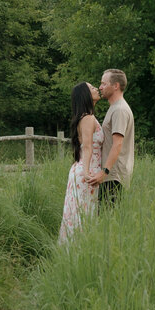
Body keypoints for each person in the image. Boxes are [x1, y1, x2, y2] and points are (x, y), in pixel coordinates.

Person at [59, 81, 102, 243]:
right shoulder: (88, 118)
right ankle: (77, 251)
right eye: (92, 88)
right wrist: (86, 172)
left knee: (79, 215)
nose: (96, 89)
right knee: (82, 216)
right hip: (86, 171)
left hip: (84, 169)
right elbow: (87, 147)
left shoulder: (86, 117)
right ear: (86, 95)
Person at [89, 68, 134, 207]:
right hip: (110, 175)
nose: (100, 87)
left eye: (104, 83)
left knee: (106, 217)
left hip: (114, 176)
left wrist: (105, 171)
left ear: (116, 86)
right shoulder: (114, 108)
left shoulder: (120, 110)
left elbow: (117, 144)